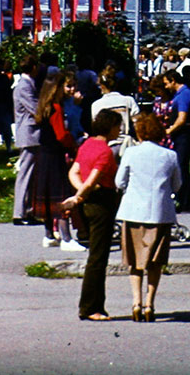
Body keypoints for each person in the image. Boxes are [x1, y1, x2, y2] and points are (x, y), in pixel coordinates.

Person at [115, 112, 182, 322]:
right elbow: (177, 184)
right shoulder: (170, 155)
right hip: (159, 213)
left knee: (135, 261)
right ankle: (150, 304)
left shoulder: (131, 153)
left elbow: (119, 181)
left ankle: (136, 302)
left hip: (134, 212)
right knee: (155, 262)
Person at [66, 109, 121, 321]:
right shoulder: (106, 152)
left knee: (95, 255)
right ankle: (90, 307)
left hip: (88, 201)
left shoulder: (86, 145)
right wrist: (81, 195)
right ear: (109, 127)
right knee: (98, 257)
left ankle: (95, 305)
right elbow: (93, 180)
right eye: (118, 126)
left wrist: (80, 195)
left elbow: (74, 172)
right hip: (101, 202)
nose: (120, 130)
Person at [27, 72, 79, 250]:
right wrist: (73, 145)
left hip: (43, 154)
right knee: (61, 195)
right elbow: (61, 135)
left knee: (47, 195)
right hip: (55, 155)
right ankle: (66, 238)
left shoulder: (44, 107)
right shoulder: (57, 108)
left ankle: (49, 234)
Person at [12, 54, 41, 225]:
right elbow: (35, 109)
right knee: (25, 173)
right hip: (28, 133)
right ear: (34, 67)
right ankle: (19, 212)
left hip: (32, 134)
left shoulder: (28, 84)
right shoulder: (24, 86)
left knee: (32, 174)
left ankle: (28, 210)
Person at [162, 70, 190, 212]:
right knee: (180, 165)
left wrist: (169, 130)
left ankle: (184, 201)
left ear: (173, 80)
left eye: (166, 83)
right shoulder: (179, 94)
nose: (165, 87)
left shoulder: (184, 95)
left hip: (184, 134)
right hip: (181, 134)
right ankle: (183, 199)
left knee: (181, 166)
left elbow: (182, 118)